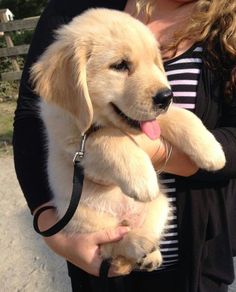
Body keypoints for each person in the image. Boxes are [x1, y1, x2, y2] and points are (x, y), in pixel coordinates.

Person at [13, 0, 236, 291]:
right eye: (121, 66)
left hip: (197, 267)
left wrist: (160, 151)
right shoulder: (72, 11)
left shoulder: (228, 22)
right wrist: (51, 229)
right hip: (99, 266)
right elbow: (31, 123)